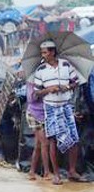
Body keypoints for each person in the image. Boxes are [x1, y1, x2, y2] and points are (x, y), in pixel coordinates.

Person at [33, 40, 87, 184]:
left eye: (44, 52)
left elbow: (75, 82)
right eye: (42, 52)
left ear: (52, 52)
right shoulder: (40, 70)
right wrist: (49, 90)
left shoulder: (66, 65)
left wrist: (67, 87)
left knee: (74, 139)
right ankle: (56, 174)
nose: (43, 55)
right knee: (52, 140)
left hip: (66, 106)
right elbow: (37, 93)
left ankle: (72, 171)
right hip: (50, 107)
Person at [26, 80, 51, 181]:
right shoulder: (32, 81)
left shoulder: (46, 78)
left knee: (38, 145)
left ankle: (32, 171)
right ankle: (47, 172)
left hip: (44, 115)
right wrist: (46, 90)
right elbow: (31, 98)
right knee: (45, 143)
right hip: (34, 114)